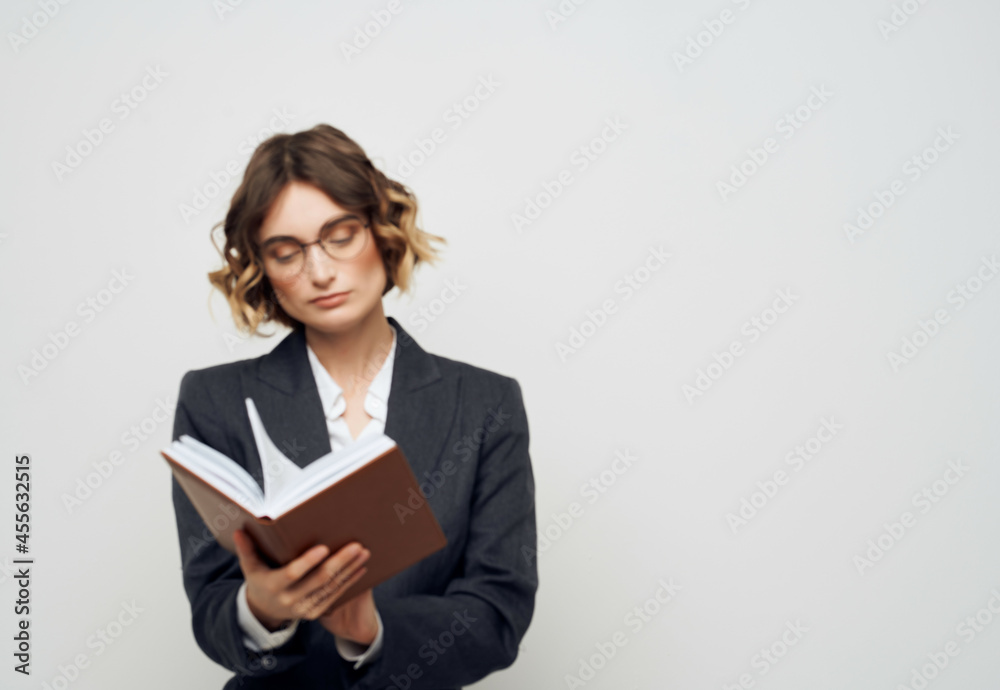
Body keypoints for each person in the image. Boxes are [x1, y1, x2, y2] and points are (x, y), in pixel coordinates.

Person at [169, 124, 538, 689]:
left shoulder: (487, 404)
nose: (319, 272)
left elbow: (498, 613)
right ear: (265, 271)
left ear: (382, 232)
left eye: (340, 235)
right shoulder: (214, 401)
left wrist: (369, 631)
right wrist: (261, 610)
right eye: (286, 252)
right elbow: (211, 610)